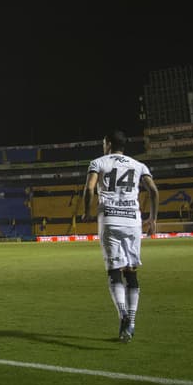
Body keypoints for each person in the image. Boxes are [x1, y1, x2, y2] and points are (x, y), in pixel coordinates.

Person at [82, 130, 159, 343]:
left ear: (107, 144)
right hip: (132, 222)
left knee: (114, 272)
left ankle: (123, 314)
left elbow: (89, 189)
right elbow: (153, 190)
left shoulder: (98, 162)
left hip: (109, 220)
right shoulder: (139, 165)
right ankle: (131, 322)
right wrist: (152, 218)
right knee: (131, 272)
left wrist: (87, 211)